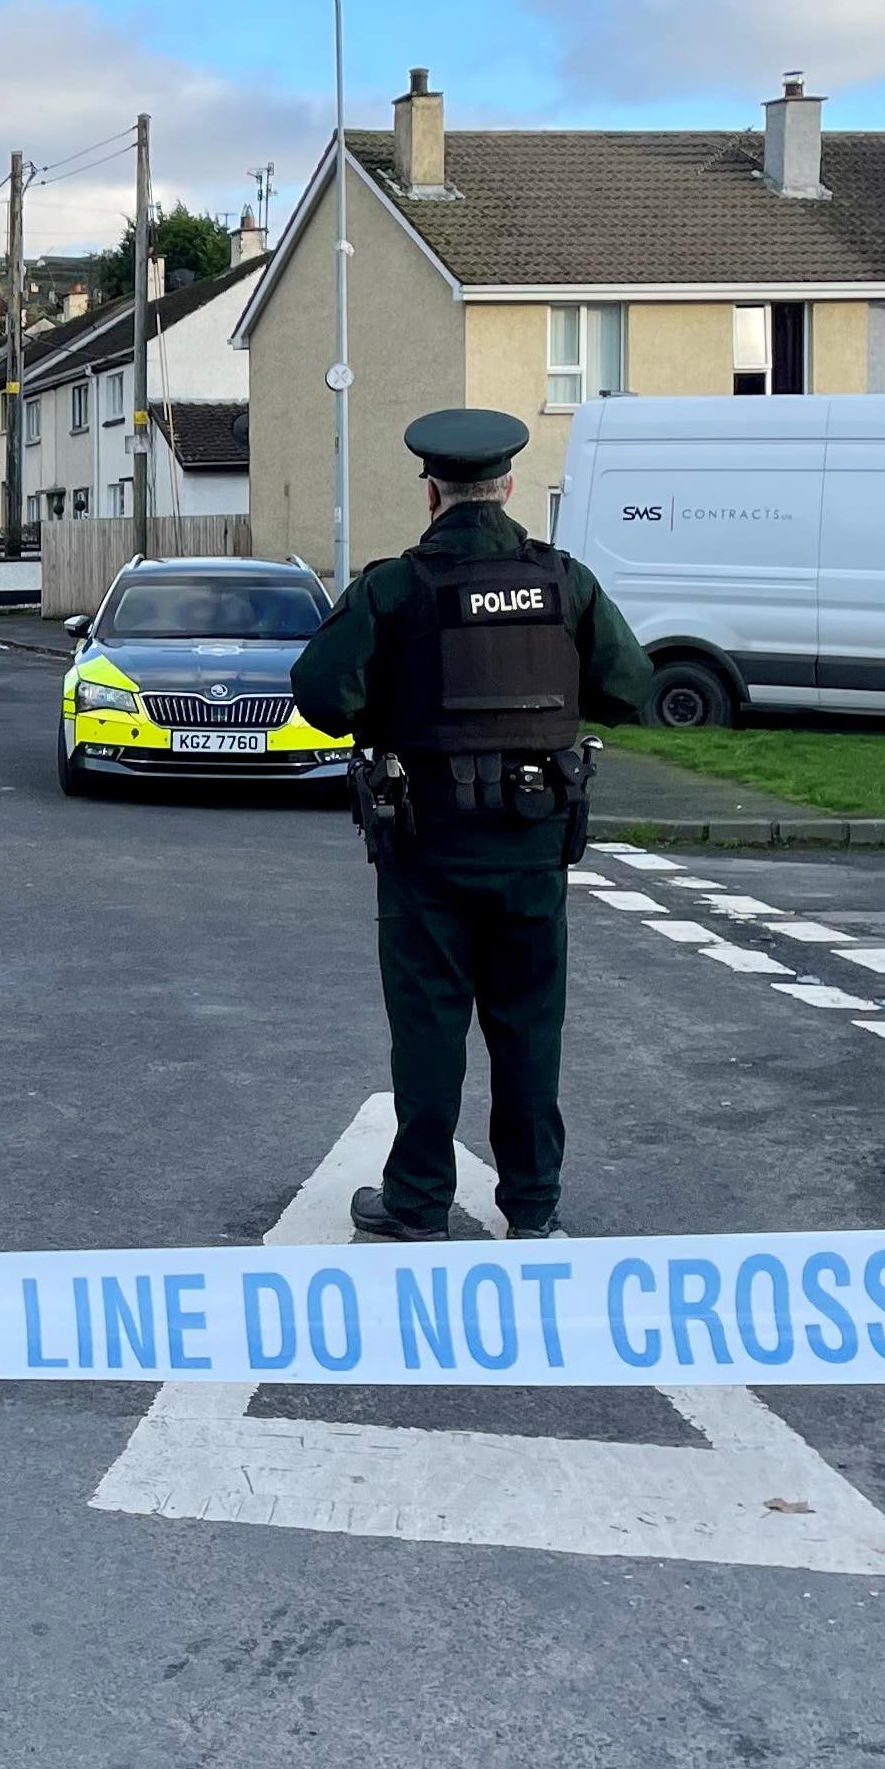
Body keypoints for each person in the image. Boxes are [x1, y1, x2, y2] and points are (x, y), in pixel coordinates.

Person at [290, 408, 651, 1244]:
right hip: (531, 845)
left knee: (428, 1028)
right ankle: (532, 1203)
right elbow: (628, 686)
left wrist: (389, 701)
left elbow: (319, 694)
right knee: (528, 1027)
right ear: (510, 486)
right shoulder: (564, 581)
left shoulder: (395, 587)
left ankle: (416, 1202)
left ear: (430, 493)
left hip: (428, 844)